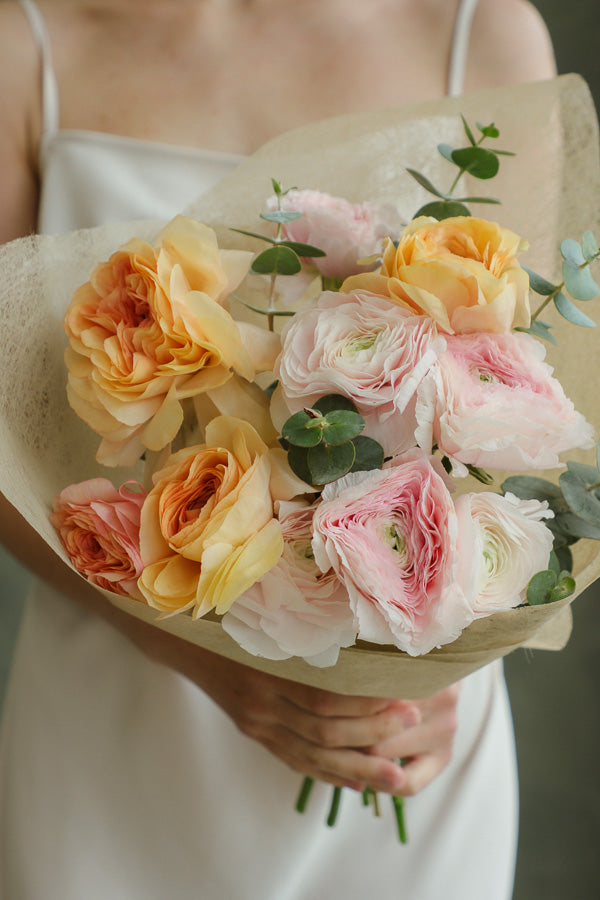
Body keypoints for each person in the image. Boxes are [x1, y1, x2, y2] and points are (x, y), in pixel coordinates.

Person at [0, 1, 556, 897]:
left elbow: (526, 396)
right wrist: (208, 661)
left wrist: (447, 668)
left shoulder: (482, 31)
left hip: (399, 743)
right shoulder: (28, 45)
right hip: (126, 731)